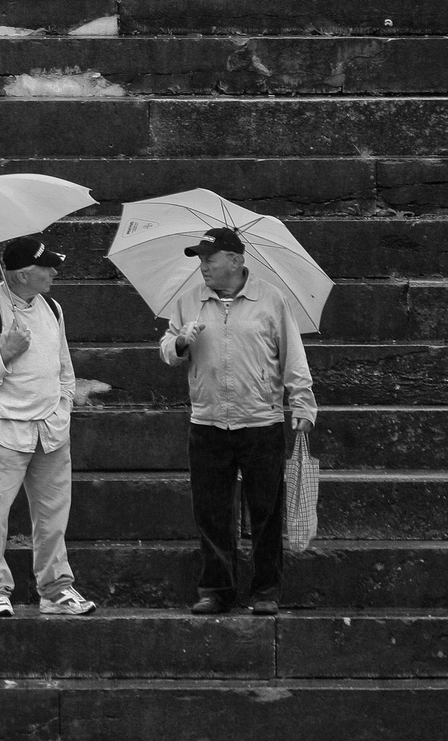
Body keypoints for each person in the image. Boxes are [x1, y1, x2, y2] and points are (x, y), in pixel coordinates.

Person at [159, 226, 317, 616]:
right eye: (200, 260)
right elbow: (166, 351)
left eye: (209, 259)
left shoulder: (271, 300)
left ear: (235, 260)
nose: (203, 267)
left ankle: (265, 591)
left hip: (260, 420)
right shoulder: (189, 301)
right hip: (208, 421)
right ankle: (216, 590)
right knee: (211, 513)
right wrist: (180, 341)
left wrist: (302, 404)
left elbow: (293, 356)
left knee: (265, 512)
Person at [0, 236, 96, 617]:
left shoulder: (52, 306)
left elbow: (64, 367)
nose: (53, 271)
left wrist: (63, 405)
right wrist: (4, 355)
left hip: (50, 428)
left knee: (53, 516)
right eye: (46, 266)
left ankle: (55, 590)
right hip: (0, 429)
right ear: (20, 275)